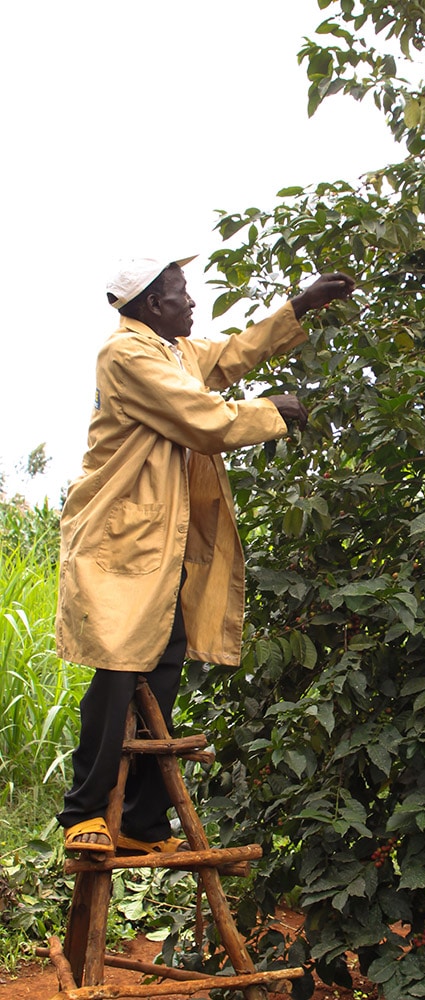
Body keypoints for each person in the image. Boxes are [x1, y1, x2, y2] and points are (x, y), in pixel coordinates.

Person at [56, 255, 355, 854]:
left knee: (163, 666)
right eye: (179, 293)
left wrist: (301, 305)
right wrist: (272, 411)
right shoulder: (128, 355)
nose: (191, 302)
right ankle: (83, 813)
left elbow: (233, 354)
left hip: (156, 545)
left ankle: (140, 823)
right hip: (118, 540)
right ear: (147, 305)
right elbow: (202, 418)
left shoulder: (173, 352)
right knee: (117, 672)